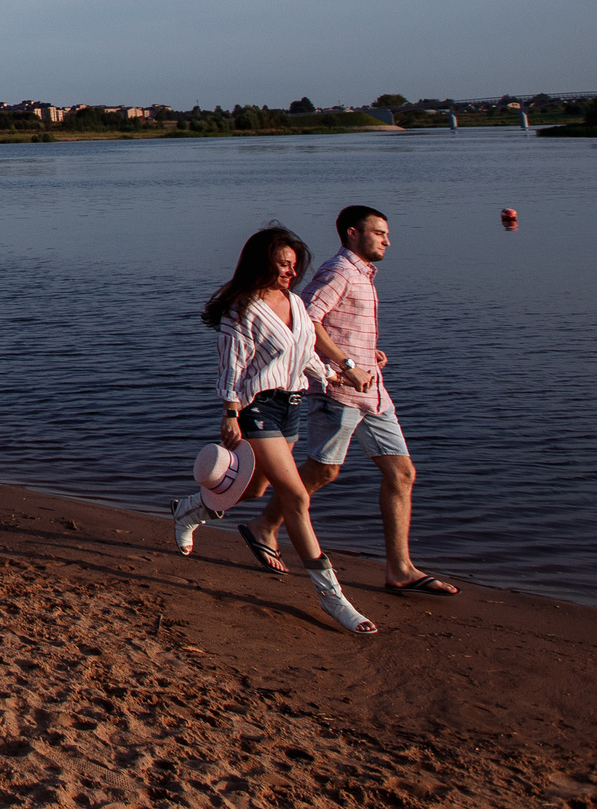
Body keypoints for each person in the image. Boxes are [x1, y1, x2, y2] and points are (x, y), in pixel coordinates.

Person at [170, 223, 376, 635]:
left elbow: (303, 350)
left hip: (292, 405)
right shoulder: (242, 308)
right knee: (296, 495)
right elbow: (232, 364)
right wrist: (230, 410)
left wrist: (332, 375)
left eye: (294, 265)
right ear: (263, 262)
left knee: (254, 488)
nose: (289, 272)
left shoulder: (295, 303)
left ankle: (189, 509)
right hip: (257, 407)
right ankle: (332, 598)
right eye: (282, 264)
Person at [273, 205, 458, 596]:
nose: (387, 241)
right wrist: (346, 361)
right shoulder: (340, 271)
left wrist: (367, 351)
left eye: (387, 234)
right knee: (323, 472)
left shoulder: (361, 275)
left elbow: (338, 324)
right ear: (353, 234)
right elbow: (306, 319)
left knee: (402, 473)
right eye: (379, 233)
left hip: (373, 392)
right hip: (339, 391)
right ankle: (264, 525)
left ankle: (400, 569)